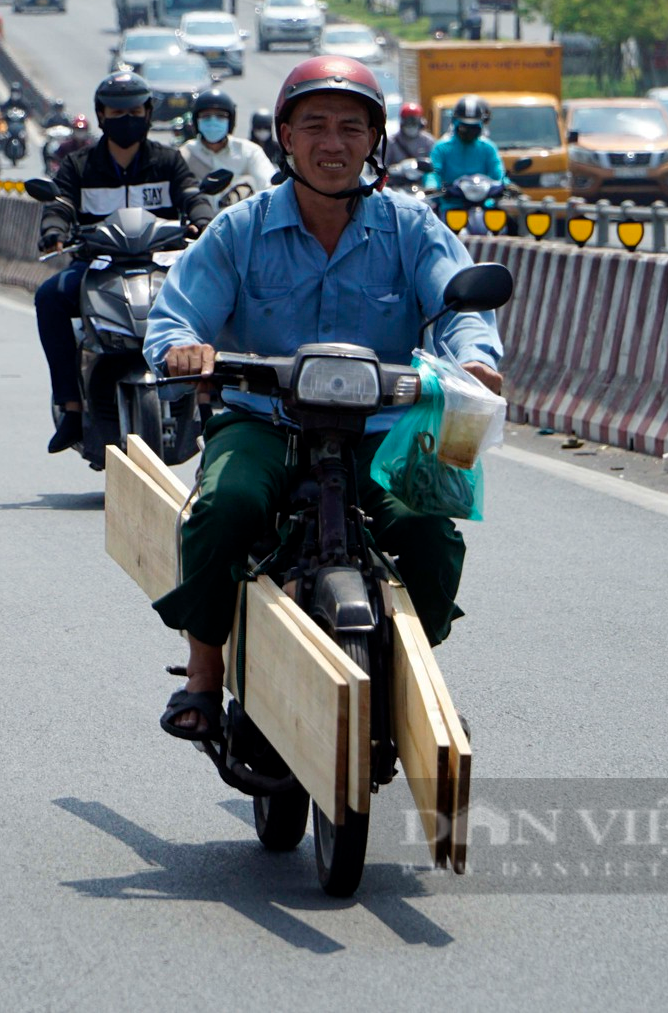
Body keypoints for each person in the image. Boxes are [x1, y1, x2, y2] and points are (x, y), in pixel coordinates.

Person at [143, 56, 505, 739]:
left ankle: (412, 677)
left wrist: (475, 359)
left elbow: (459, 303)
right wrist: (184, 347)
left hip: (382, 428)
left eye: (350, 127)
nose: (332, 143)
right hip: (264, 418)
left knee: (429, 532)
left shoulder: (411, 225)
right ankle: (203, 673)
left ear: (376, 140)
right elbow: (177, 312)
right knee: (225, 506)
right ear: (284, 134)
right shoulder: (240, 228)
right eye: (314, 125)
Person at [33, 72, 215, 455]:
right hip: (97, 267)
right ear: (101, 115)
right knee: (49, 296)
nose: (127, 118)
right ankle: (70, 407)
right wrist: (54, 230)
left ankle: (208, 404)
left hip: (161, 266)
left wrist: (203, 220)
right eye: (118, 112)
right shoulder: (79, 165)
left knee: (215, 296)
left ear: (148, 113)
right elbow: (61, 204)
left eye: (135, 110)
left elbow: (192, 196)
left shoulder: (168, 161)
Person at [178, 87, 275, 209]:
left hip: (241, 224)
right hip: (197, 223)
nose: (213, 121)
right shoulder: (185, 154)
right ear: (196, 121)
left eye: (220, 116)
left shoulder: (249, 152)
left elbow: (269, 185)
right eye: (206, 116)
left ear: (231, 120)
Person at [428, 94, 505, 214]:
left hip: (485, 207)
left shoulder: (488, 148)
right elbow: (433, 172)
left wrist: (507, 185)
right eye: (464, 127)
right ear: (455, 123)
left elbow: (498, 174)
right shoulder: (442, 148)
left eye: (474, 127)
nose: (469, 131)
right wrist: (431, 186)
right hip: (450, 207)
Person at [383, 101, 435, 168]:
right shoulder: (391, 142)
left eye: (414, 122)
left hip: (422, 177)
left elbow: (434, 165)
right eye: (408, 122)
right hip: (396, 177)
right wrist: (398, 169)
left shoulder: (428, 141)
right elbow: (382, 166)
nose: (411, 127)